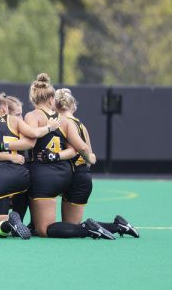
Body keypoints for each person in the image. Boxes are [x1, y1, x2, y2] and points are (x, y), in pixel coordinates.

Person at [24, 73, 114, 240]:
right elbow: (79, 148)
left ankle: (87, 228)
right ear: (51, 100)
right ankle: (92, 228)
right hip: (65, 175)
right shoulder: (64, 121)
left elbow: (29, 141)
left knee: (44, 229)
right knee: (50, 224)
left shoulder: (32, 116)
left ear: (33, 98)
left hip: (43, 175)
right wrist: (90, 159)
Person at [0, 91, 60, 239]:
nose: (21, 117)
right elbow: (33, 136)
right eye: (18, 114)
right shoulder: (15, 122)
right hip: (19, 174)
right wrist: (49, 127)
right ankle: (17, 220)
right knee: (24, 188)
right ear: (5, 109)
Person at [54, 88, 139, 238]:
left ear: (55, 106)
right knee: (71, 226)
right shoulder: (81, 126)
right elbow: (91, 155)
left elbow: (84, 152)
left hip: (77, 177)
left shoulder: (62, 124)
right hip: (81, 175)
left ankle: (115, 226)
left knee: (73, 228)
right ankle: (118, 225)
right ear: (73, 106)